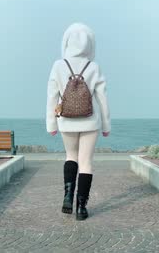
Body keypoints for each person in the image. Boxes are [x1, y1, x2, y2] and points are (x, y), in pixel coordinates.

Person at [46, 23, 111, 221]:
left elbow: (51, 96)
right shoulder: (94, 67)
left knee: (70, 156)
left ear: (66, 42)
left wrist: (51, 124)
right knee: (86, 163)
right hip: (90, 122)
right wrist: (106, 125)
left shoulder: (58, 65)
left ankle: (67, 195)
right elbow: (102, 98)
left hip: (66, 120)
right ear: (90, 44)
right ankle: (81, 208)